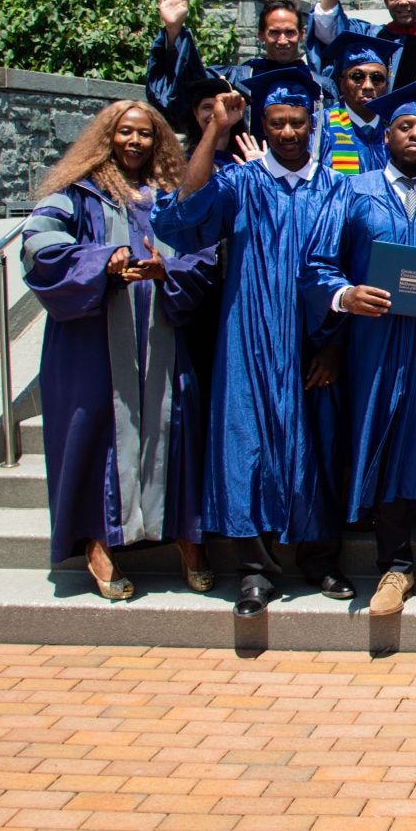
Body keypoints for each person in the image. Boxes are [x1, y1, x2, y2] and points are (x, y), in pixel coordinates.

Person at [154, 68, 352, 616]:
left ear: (314, 124)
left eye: (297, 122)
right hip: (248, 337)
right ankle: (256, 571)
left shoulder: (338, 189)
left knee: (317, 445)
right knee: (246, 445)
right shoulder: (241, 184)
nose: (288, 132)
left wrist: (335, 346)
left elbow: (355, 271)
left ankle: (319, 559)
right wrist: (215, 132)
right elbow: (181, 217)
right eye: (277, 123)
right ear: (262, 126)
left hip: (316, 341)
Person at [22, 101, 219, 601]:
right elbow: (37, 246)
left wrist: (165, 272)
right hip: (93, 344)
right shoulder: (77, 195)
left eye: (146, 134)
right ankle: (97, 544)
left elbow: (205, 258)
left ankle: (185, 537)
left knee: (176, 430)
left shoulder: (171, 198)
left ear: (159, 141)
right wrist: (101, 258)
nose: (135, 142)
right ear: (108, 137)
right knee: (93, 436)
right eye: (126, 132)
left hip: (163, 338)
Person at [301, 80, 416, 616]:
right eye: (405, 126)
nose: (415, 135)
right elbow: (318, 264)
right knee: (380, 439)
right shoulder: (351, 192)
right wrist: (345, 295)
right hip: (375, 342)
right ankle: (395, 567)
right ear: (386, 135)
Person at [146, 0, 324, 132]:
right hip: (244, 168)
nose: (283, 40)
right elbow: (186, 87)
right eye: (274, 32)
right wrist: (174, 30)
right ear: (261, 35)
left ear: (302, 34)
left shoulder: (322, 85)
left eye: (290, 32)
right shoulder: (237, 79)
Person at [319, 31, 401, 176]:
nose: (368, 86)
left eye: (377, 78)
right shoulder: (320, 126)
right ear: (341, 83)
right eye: (357, 77)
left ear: (387, 85)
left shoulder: (397, 128)